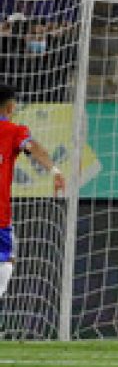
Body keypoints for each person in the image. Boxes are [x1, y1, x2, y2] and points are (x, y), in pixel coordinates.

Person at [0, 83, 66, 309]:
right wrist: (55, 171)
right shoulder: (14, 132)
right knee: (6, 259)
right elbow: (35, 148)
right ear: (10, 107)